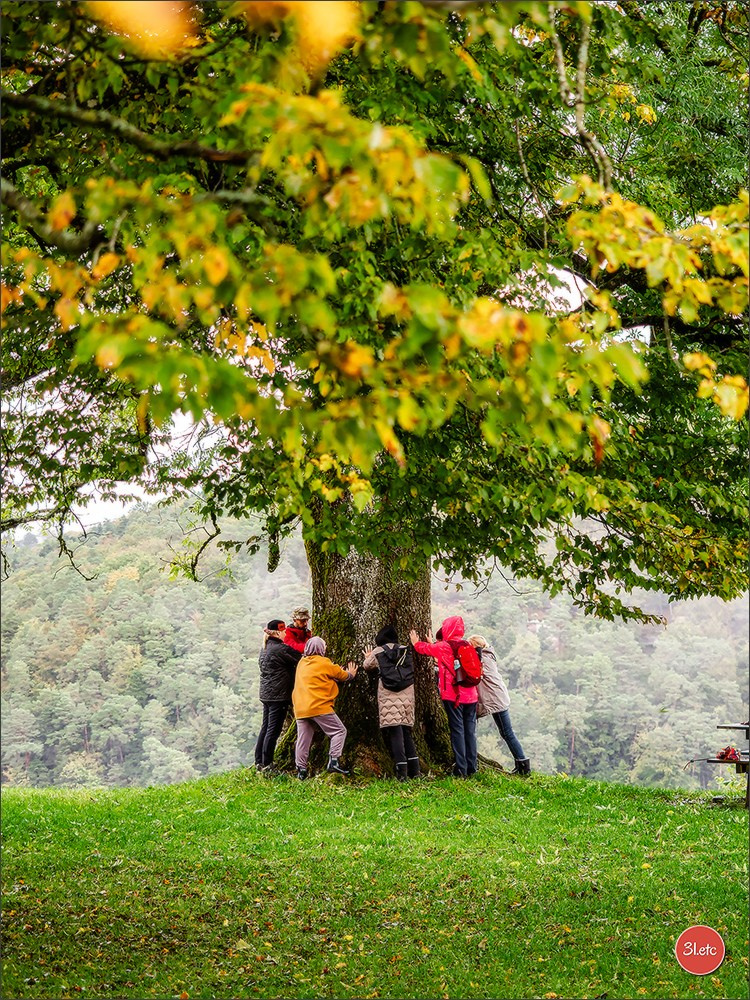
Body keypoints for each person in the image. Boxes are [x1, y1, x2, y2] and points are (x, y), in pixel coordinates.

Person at [409, 615, 478, 777]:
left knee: (457, 731)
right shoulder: (467, 644)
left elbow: (424, 649)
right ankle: (472, 767)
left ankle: (461, 769)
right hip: (471, 695)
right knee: (470, 731)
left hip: (453, 697)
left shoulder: (444, 646)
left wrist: (415, 642)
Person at [292, 636, 358, 779]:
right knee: (339, 731)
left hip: (301, 707)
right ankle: (333, 761)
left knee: (304, 739)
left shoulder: (301, 663)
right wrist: (351, 674)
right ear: (321, 649)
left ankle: (301, 769)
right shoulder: (325, 662)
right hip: (318, 706)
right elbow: (342, 675)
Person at [363, 625, 420, 780]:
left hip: (388, 695)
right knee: (406, 731)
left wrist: (368, 656)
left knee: (395, 733)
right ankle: (415, 770)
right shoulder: (405, 649)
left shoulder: (379, 651)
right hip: (407, 695)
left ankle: (401, 771)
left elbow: (367, 666)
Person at [468, 633, 531, 776]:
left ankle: (523, 766)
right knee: (507, 733)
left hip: (496, 699)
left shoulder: (481, 659)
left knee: (507, 733)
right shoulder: (489, 656)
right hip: (499, 697)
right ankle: (522, 765)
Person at [254, 619, 301, 773]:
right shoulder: (281, 649)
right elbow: (300, 658)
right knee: (273, 730)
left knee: (265, 727)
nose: (286, 633)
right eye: (283, 631)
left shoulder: (265, 647)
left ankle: (259, 761)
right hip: (278, 695)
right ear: (278, 632)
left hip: (267, 694)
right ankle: (267, 764)